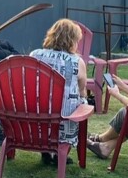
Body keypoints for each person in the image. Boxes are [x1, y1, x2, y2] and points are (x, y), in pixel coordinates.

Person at [30, 18, 88, 164]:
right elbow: (81, 90)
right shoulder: (77, 62)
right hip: (63, 125)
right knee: (81, 100)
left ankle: (45, 150)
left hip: (33, 120)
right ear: (72, 40)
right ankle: (59, 154)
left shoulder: (34, 55)